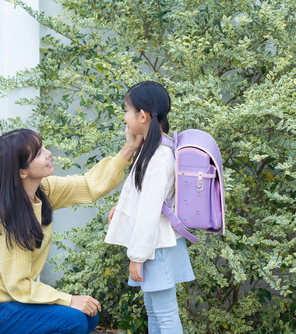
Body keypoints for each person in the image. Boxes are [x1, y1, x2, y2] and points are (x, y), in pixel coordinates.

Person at [0, 127, 142, 334]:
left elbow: (89, 185)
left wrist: (131, 147)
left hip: (10, 303)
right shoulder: (11, 218)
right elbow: (18, 286)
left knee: (88, 318)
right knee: (74, 321)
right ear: (22, 171)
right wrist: (69, 299)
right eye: (38, 153)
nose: (48, 153)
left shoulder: (43, 190)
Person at [105, 81, 195, 333]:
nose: (124, 116)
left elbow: (149, 213)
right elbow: (140, 196)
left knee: (164, 315)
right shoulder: (152, 148)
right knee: (155, 312)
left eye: (126, 110)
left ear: (142, 115)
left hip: (157, 248)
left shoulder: (158, 156)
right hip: (155, 246)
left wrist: (137, 257)